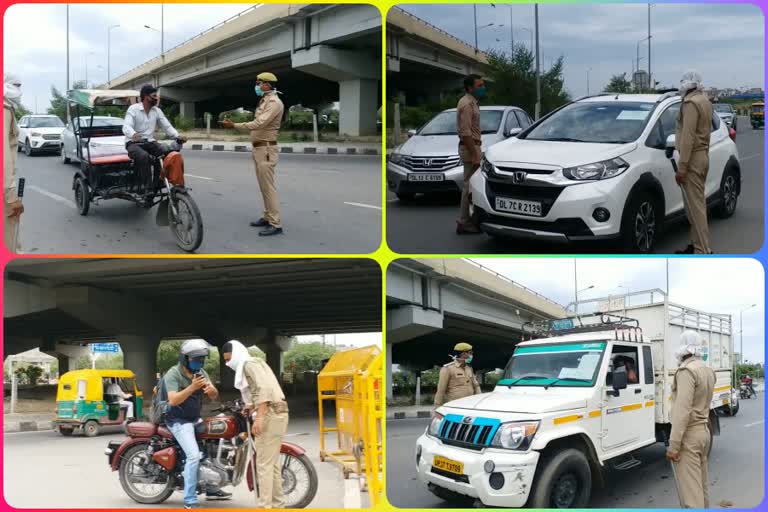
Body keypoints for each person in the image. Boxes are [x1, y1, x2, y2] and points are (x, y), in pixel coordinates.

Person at [163, 339, 231, 508]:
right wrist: (192, 388)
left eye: (201, 359)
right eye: (195, 359)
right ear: (185, 359)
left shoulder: (201, 372)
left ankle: (211, 487)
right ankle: (189, 499)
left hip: (194, 418)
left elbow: (214, 396)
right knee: (194, 456)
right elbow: (172, 400)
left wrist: (212, 391)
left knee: (210, 448)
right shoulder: (173, 374)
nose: (198, 362)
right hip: (177, 420)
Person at [222, 340, 288, 508]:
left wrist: (259, 418)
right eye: (225, 360)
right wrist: (250, 407)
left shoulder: (248, 365)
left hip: (270, 415)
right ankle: (277, 504)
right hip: (277, 413)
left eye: (229, 359)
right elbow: (258, 390)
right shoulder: (255, 362)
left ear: (237, 354)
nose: (227, 363)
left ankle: (264, 506)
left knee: (263, 465)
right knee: (271, 465)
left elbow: (264, 389)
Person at [221, 72, 285, 237]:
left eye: (259, 82)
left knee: (268, 188)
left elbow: (259, 123)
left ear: (267, 84)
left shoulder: (274, 102)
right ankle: (267, 216)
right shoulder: (265, 100)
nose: (256, 85)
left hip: (266, 150)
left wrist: (235, 125)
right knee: (263, 187)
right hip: (259, 149)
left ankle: (275, 224)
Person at [666, 330, 715, 508]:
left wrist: (674, 445)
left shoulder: (686, 371)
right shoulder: (707, 369)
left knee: (691, 497)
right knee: (701, 489)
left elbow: (682, 411)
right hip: (704, 433)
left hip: (689, 436)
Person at [123, 84, 186, 199]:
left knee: (167, 152)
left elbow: (167, 126)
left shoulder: (156, 111)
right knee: (144, 157)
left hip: (150, 142)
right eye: (154, 96)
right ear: (146, 97)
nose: (156, 98)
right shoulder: (134, 109)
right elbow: (126, 126)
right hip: (133, 144)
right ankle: (148, 188)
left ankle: (159, 182)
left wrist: (177, 136)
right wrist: (133, 134)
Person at [674, 70, 713, 255]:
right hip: (702, 155)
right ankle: (697, 246)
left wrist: (682, 167)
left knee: (695, 210)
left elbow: (688, 136)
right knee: (695, 207)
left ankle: (703, 251)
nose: (681, 85)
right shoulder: (704, 100)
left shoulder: (690, 103)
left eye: (683, 82)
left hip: (692, 160)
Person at [455, 74, 486, 235]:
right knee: (468, 186)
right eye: (479, 86)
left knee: (470, 185)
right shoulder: (467, 104)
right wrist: (474, 153)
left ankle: (468, 220)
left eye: (483, 85)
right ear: (470, 88)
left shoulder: (472, 102)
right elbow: (465, 132)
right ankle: (464, 222)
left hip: (473, 146)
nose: (482, 88)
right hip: (470, 147)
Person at [4, 73, 23, 252]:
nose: (18, 90)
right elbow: (4, 156)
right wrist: (11, 196)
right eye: (15, 85)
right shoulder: (4, 110)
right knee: (10, 239)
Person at [434, 342, 481, 406]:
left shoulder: (469, 368)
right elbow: (441, 391)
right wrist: (436, 408)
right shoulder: (448, 369)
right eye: (470, 353)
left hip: (470, 404)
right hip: (455, 406)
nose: (471, 355)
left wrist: (479, 401)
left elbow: (476, 386)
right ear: (463, 353)